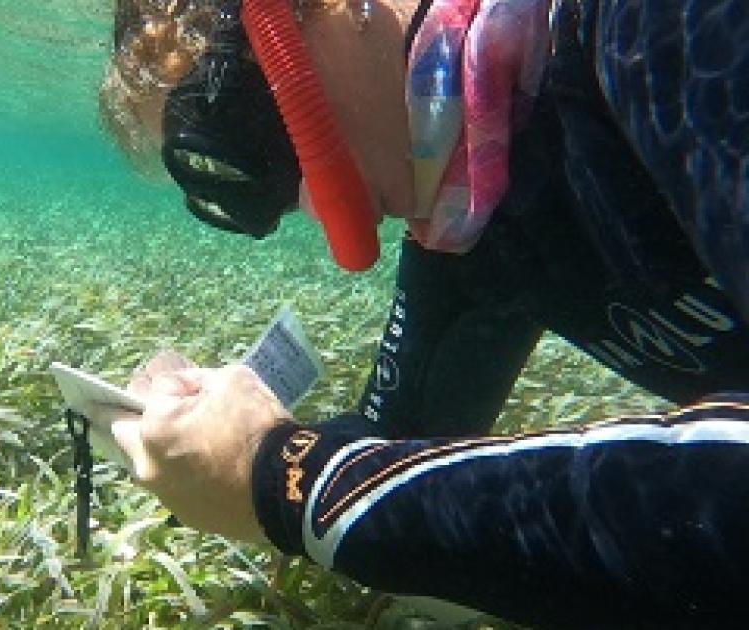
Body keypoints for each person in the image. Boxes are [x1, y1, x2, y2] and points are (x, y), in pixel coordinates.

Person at [95, 0, 749, 627]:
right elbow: (395, 451)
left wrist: (295, 482)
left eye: (246, 122)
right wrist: (223, 433)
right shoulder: (472, 217)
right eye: (241, 180)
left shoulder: (666, 27)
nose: (318, 210)